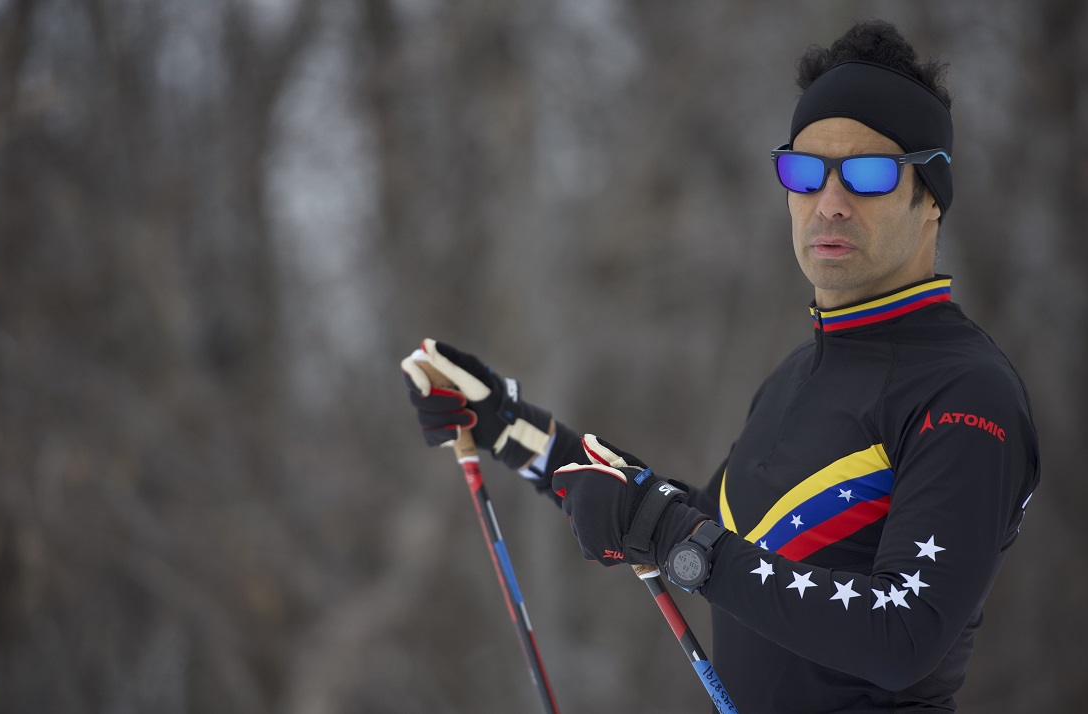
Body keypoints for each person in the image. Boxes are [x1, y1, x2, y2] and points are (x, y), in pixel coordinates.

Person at [403, 19, 1040, 713]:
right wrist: (506, 425)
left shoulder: (966, 391)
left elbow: (902, 635)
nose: (829, 202)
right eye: (805, 170)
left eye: (868, 173)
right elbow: (696, 529)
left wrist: (673, 535)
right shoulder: (798, 375)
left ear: (930, 200)